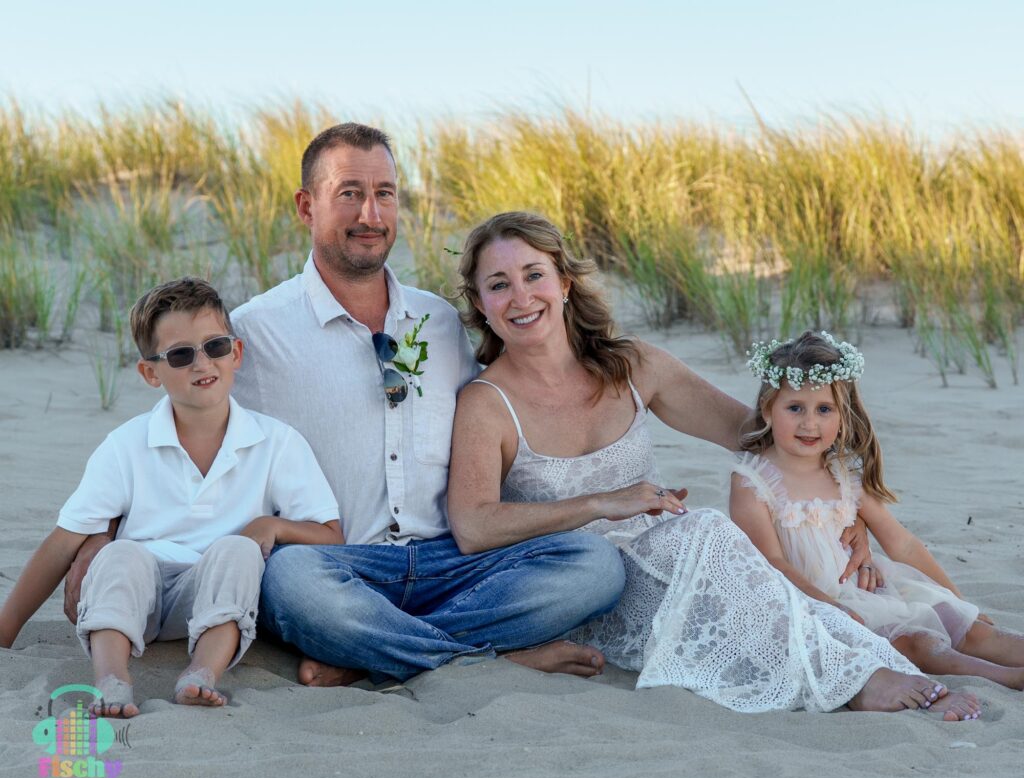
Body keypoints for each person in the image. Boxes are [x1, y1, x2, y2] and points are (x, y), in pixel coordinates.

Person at [446, 210, 982, 720]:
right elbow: (473, 527)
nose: (521, 297)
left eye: (533, 275)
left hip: (672, 559)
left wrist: (850, 512)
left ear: (563, 282)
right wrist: (599, 504)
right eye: (498, 284)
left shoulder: (633, 366)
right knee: (707, 528)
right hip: (581, 588)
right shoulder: (486, 402)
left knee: (728, 555)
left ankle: (871, 666)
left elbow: (766, 436)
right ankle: (864, 682)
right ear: (481, 303)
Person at [225, 123, 625, 685]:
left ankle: (376, 654)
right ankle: (490, 656)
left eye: (385, 193)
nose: (371, 214)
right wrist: (100, 533)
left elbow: (500, 415)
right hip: (341, 565)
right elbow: (181, 438)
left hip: (453, 562)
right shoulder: (256, 331)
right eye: (349, 193)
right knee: (288, 581)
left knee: (595, 566)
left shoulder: (436, 320)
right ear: (306, 206)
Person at [0, 279, 342, 715]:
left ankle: (200, 673)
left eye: (215, 346)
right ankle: (112, 677)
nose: (203, 363)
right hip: (135, 595)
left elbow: (332, 534)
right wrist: (6, 629)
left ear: (236, 352)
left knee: (238, 550)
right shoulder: (127, 444)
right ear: (150, 373)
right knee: (120, 556)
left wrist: (275, 525)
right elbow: (65, 540)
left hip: (212, 595)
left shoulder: (277, 442)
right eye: (181, 355)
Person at [731, 330, 1023, 695]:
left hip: (878, 593)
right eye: (795, 408)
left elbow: (903, 545)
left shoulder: (843, 476)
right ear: (767, 409)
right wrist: (831, 609)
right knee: (917, 643)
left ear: (843, 413)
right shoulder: (753, 482)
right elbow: (773, 563)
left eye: (824, 409)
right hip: (817, 605)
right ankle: (1005, 678)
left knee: (968, 625)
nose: (810, 424)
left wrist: (961, 600)